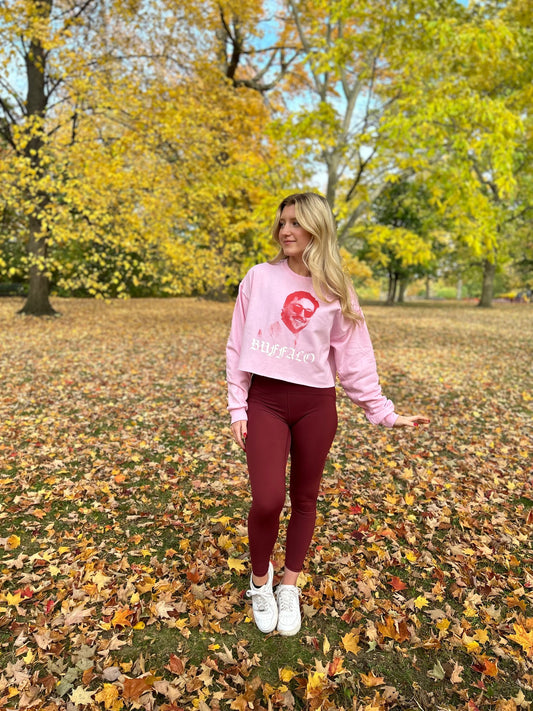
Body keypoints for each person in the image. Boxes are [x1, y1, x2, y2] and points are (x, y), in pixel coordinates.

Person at [226, 192, 429, 637]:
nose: (286, 231)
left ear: (317, 227)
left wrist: (384, 412)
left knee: (305, 498)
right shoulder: (259, 278)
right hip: (266, 401)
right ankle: (260, 581)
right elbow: (237, 344)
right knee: (267, 500)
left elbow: (355, 358)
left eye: (296, 223)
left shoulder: (336, 289)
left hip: (317, 405)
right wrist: (237, 403)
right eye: (282, 223)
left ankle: (289, 586)